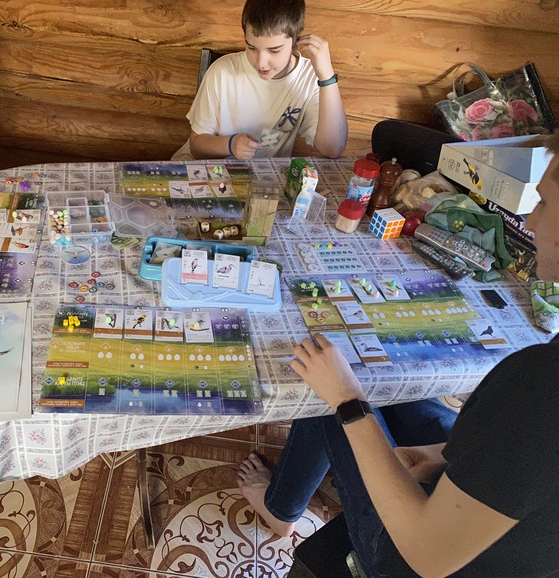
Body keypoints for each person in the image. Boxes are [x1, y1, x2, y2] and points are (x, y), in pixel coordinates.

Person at [238, 131, 559, 576]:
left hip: (407, 556)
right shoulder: (539, 385)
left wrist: (348, 402)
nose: (531, 220)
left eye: (544, 203)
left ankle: (280, 510)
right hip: (494, 518)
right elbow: (530, 460)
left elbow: (428, 556)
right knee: (365, 379)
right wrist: (441, 456)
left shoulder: (540, 381)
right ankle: (289, 497)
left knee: (330, 393)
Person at [171, 0, 347, 162]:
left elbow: (332, 149)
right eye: (252, 47)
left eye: (274, 50)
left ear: (295, 42)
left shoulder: (309, 77)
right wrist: (230, 144)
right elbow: (197, 147)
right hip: (201, 168)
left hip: (259, 177)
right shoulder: (222, 71)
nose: (261, 62)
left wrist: (327, 78)